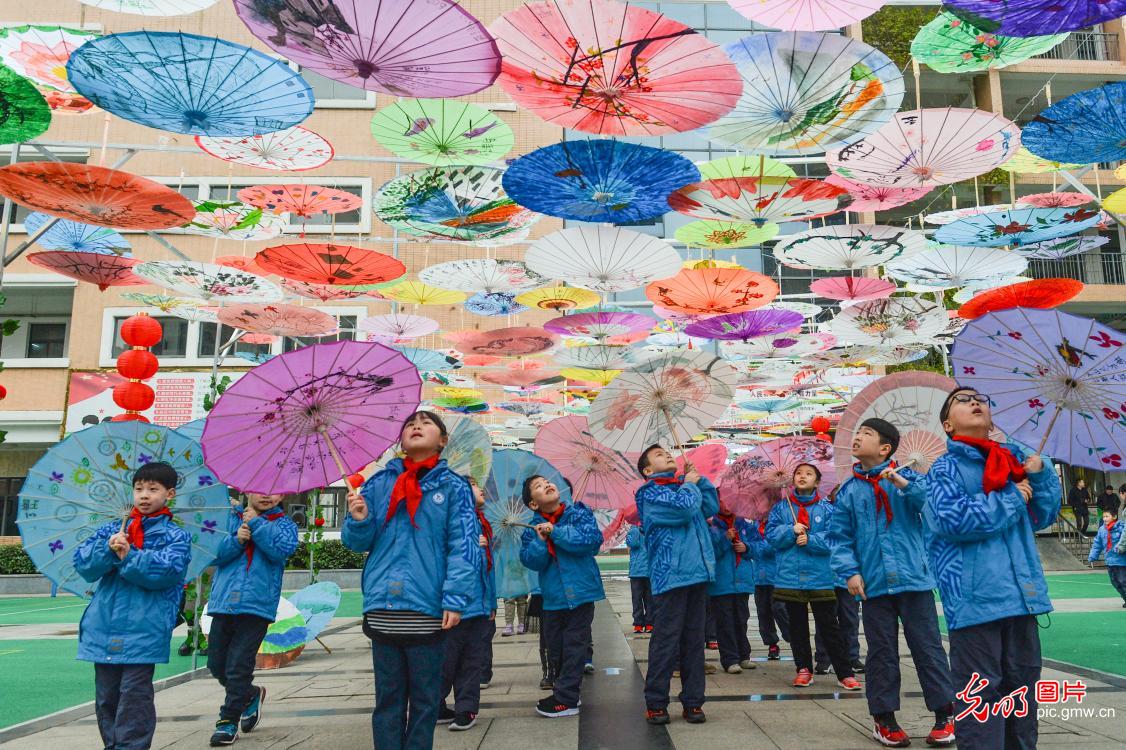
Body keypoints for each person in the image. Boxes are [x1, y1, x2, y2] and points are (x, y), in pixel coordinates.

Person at [925, 387, 1060, 749]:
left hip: (1022, 599)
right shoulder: (944, 469)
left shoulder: (1013, 463)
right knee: (980, 701)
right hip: (976, 603)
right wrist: (1013, 497)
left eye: (980, 399)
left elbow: (1042, 515)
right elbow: (953, 521)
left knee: (1022, 697)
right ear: (948, 425)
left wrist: (1040, 475)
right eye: (962, 400)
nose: (974, 402)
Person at [342, 411, 480, 750]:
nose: (416, 426)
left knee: (425, 700)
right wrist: (359, 519)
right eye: (410, 424)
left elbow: (463, 546)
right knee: (387, 700)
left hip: (427, 608)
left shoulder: (454, 486)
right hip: (383, 607)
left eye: (426, 423)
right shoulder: (378, 483)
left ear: (443, 440)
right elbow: (357, 543)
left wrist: (455, 598)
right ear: (401, 439)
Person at [829, 418, 956, 747]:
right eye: (858, 433)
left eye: (867, 434)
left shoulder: (909, 478)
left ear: (885, 448)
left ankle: (946, 714)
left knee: (927, 648)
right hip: (873, 585)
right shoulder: (849, 490)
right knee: (881, 652)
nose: (858, 437)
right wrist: (849, 571)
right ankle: (883, 718)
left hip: (914, 581)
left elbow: (932, 507)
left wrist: (904, 483)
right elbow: (839, 537)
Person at [73, 462, 191, 750]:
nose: (144, 495)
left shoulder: (175, 536)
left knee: (134, 697)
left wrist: (130, 555)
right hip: (103, 626)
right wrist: (107, 549)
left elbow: (168, 572)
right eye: (139, 489)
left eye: (153, 489)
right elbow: (84, 565)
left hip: (145, 629)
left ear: (170, 494)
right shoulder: (112, 529)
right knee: (107, 699)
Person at [634, 444, 718, 726]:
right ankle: (656, 702)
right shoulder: (649, 493)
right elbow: (683, 511)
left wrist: (699, 481)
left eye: (667, 452)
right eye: (659, 455)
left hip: (697, 574)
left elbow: (710, 507)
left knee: (694, 642)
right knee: (666, 641)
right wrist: (690, 485)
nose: (668, 455)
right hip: (670, 575)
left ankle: (693, 702)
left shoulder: (683, 486)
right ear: (648, 470)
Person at [206, 492, 299, 746]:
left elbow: (281, 551)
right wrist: (236, 539)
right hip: (224, 603)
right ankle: (249, 695)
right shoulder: (229, 519)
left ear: (282, 494)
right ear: (247, 491)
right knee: (216, 664)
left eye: (274, 490)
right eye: (260, 489)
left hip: (256, 606)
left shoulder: (284, 524)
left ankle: (227, 720)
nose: (267, 495)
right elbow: (212, 554)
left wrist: (257, 524)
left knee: (238, 665)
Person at [766, 463, 861, 691]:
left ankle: (844, 672)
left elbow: (835, 538)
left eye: (808, 474)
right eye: (799, 473)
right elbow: (771, 536)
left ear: (817, 482)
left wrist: (811, 540)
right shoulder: (781, 508)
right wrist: (790, 531)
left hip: (822, 576)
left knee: (829, 625)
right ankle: (803, 669)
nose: (802, 476)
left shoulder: (828, 509)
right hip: (790, 576)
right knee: (797, 626)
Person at [519, 474, 605, 718]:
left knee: (575, 645)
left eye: (547, 482)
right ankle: (565, 691)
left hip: (581, 593)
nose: (546, 484)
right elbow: (531, 561)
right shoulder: (531, 529)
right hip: (553, 597)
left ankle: (566, 699)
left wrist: (556, 532)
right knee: (555, 648)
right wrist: (540, 540)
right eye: (538, 486)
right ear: (533, 504)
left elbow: (591, 542)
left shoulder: (578, 513)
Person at [437, 477, 496, 731]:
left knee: (472, 663)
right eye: (472, 484)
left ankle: (466, 709)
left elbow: (488, 570)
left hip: (479, 607)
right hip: (454, 608)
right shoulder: (447, 519)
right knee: (445, 662)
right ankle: (436, 704)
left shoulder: (482, 522)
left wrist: (491, 602)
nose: (480, 488)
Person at [708, 499, 756, 674]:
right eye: (722, 501)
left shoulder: (744, 524)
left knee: (741, 620)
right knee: (725, 622)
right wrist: (725, 539)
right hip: (721, 583)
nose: (727, 505)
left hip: (742, 581)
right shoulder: (711, 526)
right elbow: (710, 552)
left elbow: (760, 545)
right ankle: (730, 659)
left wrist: (747, 547)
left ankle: (744, 655)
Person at [748, 517, 789, 660]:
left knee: (779, 608)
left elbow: (773, 547)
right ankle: (772, 643)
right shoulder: (754, 526)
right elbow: (751, 549)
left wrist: (757, 546)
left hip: (776, 577)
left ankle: (791, 634)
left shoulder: (777, 524)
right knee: (763, 612)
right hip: (759, 578)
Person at [1089, 509, 1126, 607]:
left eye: (1107, 516)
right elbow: (1097, 544)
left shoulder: (1122, 527)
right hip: (1109, 560)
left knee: (1122, 581)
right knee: (1115, 582)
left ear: (1114, 517)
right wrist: (1093, 555)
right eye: (1103, 517)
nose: (1105, 519)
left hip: (1121, 560)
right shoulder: (1102, 529)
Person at [625, 519, 654, 633]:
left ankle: (638, 623)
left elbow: (633, 544)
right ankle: (650, 623)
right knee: (649, 599)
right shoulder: (651, 528)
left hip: (637, 571)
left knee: (637, 599)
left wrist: (630, 532)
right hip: (649, 570)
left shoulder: (634, 530)